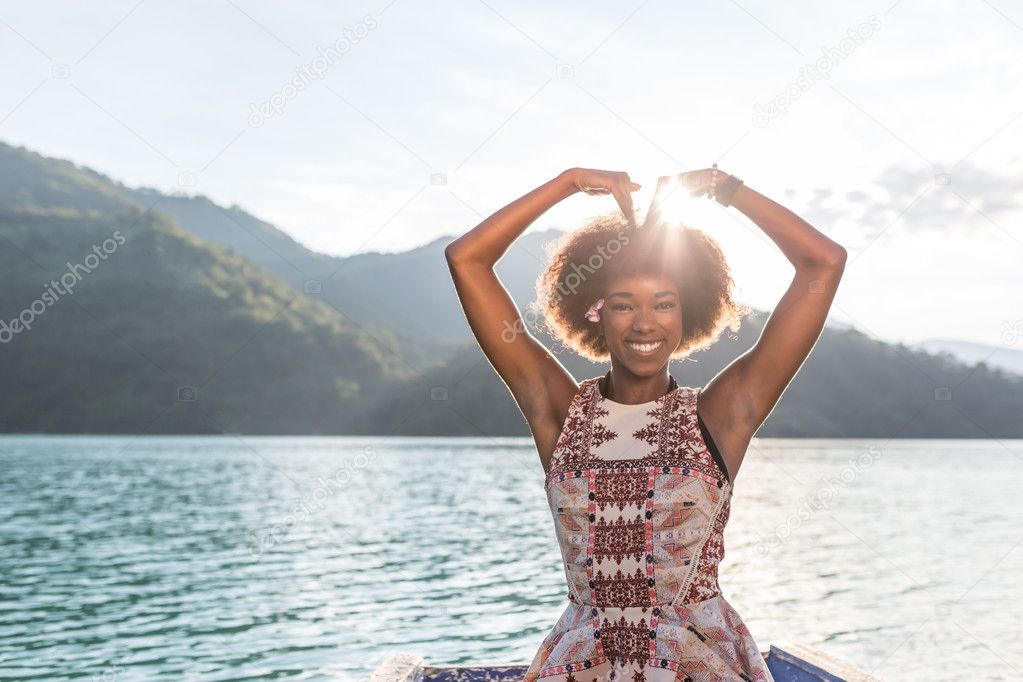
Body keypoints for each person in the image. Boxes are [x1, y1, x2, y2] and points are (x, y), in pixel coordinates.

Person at [444, 167, 846, 681]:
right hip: (581, 665)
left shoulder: (721, 414)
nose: (644, 323)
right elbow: (466, 260)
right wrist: (568, 184)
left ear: (686, 313)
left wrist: (727, 190)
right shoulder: (561, 413)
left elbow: (824, 263)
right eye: (623, 304)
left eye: (664, 304)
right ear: (596, 312)